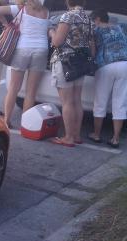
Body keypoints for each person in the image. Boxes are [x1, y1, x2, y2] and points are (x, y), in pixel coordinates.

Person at [0, 0, 50, 129]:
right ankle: (26, 123)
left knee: (14, 88)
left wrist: (5, 23)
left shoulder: (21, 8)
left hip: (23, 49)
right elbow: (47, 31)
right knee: (31, 92)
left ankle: (7, 120)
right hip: (41, 50)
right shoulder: (46, 12)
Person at [48, 0, 95, 147]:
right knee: (76, 100)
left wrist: (51, 32)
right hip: (80, 63)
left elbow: (57, 41)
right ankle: (76, 135)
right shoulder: (88, 19)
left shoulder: (68, 16)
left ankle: (68, 137)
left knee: (67, 102)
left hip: (65, 62)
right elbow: (92, 45)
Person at [88, 9, 127, 148]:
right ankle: (115, 139)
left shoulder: (95, 31)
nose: (93, 23)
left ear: (98, 18)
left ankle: (96, 134)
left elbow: (92, 52)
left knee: (101, 100)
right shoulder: (120, 27)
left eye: (93, 20)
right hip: (124, 64)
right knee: (120, 102)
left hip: (105, 65)